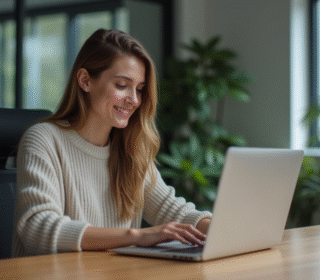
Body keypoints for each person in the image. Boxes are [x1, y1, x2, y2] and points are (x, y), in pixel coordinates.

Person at [12, 29, 212, 257]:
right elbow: (37, 229)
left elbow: (171, 209)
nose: (134, 100)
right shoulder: (44, 139)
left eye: (139, 89)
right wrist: (136, 236)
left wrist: (219, 229)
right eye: (121, 85)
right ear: (85, 81)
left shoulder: (130, 149)